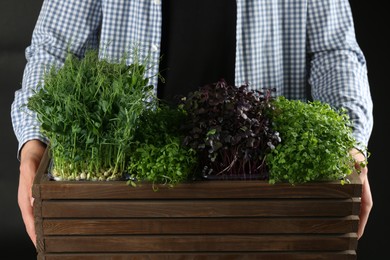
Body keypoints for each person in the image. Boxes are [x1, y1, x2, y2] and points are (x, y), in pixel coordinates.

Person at [11, 0, 373, 247]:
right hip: (130, 195)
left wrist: (351, 145)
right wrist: (34, 145)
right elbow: (54, 49)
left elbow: (334, 51)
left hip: (267, 200)